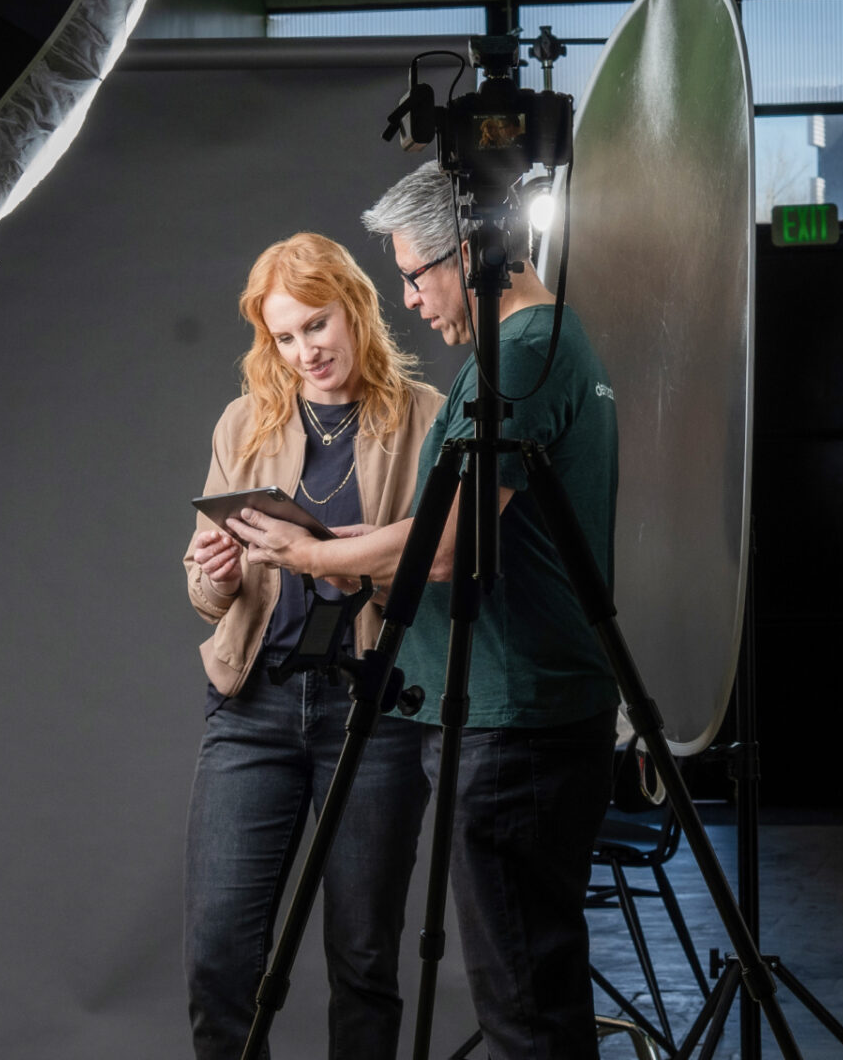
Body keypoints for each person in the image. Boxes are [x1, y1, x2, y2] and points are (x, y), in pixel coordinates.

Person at [228, 162, 622, 1060]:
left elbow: (448, 547)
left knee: (524, 1011)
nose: (408, 298)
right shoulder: (559, 343)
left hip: (510, 722)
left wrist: (316, 555)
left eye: (415, 273)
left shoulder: (514, 360)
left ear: (476, 251)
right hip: (537, 713)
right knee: (538, 989)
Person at [181, 231, 442, 1060]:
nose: (304, 351)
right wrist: (215, 569)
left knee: (362, 959)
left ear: (357, 308)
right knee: (221, 956)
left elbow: (444, 566)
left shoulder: (428, 415)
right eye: (285, 337)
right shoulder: (245, 421)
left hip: (373, 709)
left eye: (317, 325)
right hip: (252, 706)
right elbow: (201, 591)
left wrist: (351, 561)